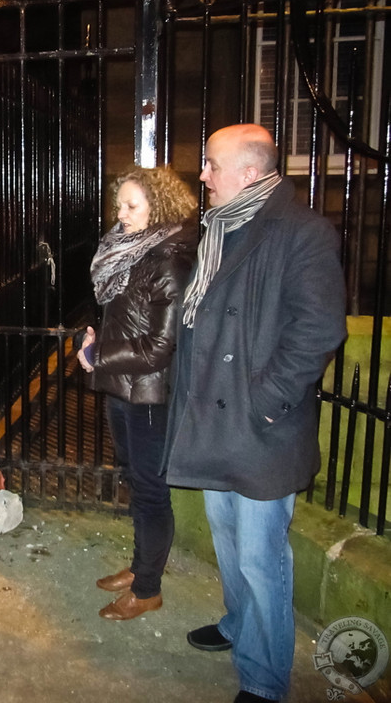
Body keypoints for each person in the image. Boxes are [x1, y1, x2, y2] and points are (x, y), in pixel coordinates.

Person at [164, 124, 346, 703]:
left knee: (262, 557)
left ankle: (266, 680)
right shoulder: (218, 231)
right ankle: (239, 625)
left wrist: (265, 401)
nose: (203, 175)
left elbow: (319, 330)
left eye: (212, 165)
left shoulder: (302, 233)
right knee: (226, 540)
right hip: (216, 420)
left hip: (262, 427)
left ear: (249, 172)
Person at [77, 165, 197, 621]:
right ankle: (140, 566)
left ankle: (147, 588)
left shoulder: (169, 258)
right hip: (122, 389)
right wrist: (96, 335)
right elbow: (125, 316)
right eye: (119, 205)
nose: (121, 214)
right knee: (135, 479)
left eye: (132, 206)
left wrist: (100, 355)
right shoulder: (130, 251)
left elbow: (161, 347)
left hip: (148, 394)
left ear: (158, 206)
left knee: (150, 490)